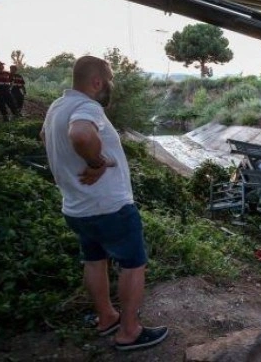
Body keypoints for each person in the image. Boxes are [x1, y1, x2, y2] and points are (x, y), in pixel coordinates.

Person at [40, 55, 168, 351]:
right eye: (109, 79)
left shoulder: (57, 107)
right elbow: (81, 135)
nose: (111, 84)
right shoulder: (87, 106)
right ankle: (130, 332)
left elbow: (44, 136)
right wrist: (97, 160)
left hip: (76, 207)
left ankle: (107, 317)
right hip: (109, 207)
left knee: (94, 260)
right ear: (97, 82)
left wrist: (71, 170)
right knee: (133, 265)